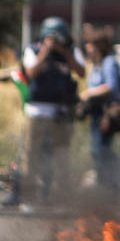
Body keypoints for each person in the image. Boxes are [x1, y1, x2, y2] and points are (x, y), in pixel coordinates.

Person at [18, 17, 84, 207]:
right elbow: (30, 74)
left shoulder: (71, 51)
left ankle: (62, 199)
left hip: (61, 111)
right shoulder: (34, 50)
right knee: (31, 156)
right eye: (51, 37)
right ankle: (28, 199)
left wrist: (65, 53)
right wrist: (45, 53)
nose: (55, 41)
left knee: (62, 157)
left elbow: (80, 72)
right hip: (37, 111)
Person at [80, 24, 120, 194]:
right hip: (96, 115)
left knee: (101, 151)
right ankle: (108, 184)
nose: (87, 49)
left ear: (98, 46)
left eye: (90, 45)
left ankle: (114, 186)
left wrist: (88, 93)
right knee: (98, 151)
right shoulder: (97, 65)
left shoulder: (109, 63)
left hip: (106, 115)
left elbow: (111, 87)